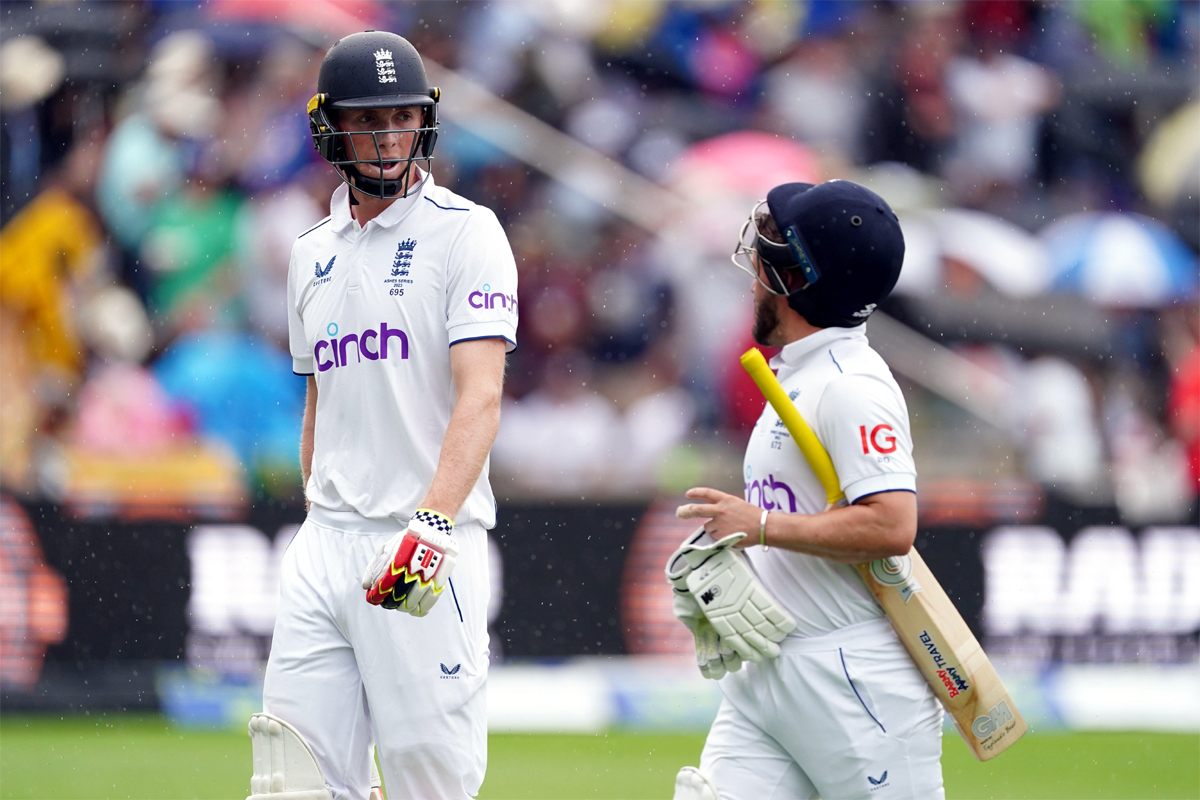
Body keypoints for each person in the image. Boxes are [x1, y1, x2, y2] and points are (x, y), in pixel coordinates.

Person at [252, 31, 517, 800]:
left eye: (402, 116)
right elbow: (319, 401)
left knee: (428, 782)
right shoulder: (310, 251)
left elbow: (481, 395)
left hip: (422, 537)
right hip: (325, 546)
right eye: (368, 120)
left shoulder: (467, 231)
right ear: (329, 127)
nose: (389, 135)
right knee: (293, 782)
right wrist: (317, 521)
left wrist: (430, 524)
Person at [671, 180, 944, 799]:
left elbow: (891, 524)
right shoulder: (802, 372)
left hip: (855, 687)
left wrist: (762, 527)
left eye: (766, 260)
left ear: (794, 278)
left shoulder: (851, 386)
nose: (752, 277)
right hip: (768, 669)